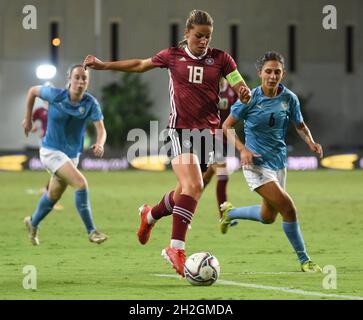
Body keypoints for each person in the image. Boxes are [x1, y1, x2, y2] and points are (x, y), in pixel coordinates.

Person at [84, 9, 251, 277]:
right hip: (179, 130)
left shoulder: (221, 59)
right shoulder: (173, 56)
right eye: (198, 36)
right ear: (186, 34)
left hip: (206, 135)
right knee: (194, 185)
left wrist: (243, 92)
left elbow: (238, 83)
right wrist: (105, 65)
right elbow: (140, 64)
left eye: (207, 36)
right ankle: (175, 248)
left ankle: (149, 215)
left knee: (181, 194)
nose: (203, 41)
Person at [221, 51, 323, 272]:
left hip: (278, 163)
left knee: (268, 217)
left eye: (277, 72)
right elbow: (226, 126)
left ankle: (230, 213)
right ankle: (305, 260)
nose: (273, 76)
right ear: (260, 73)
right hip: (255, 163)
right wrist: (242, 149)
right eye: (268, 71)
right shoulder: (249, 98)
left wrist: (311, 142)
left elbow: (300, 125)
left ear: (282, 74)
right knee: (289, 209)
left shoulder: (289, 99)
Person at [22, 64, 108, 246]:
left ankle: (32, 222)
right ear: (70, 79)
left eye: (84, 78)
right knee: (80, 183)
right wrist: (28, 119)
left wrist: (100, 144)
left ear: (87, 81)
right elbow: (32, 91)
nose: (80, 81)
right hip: (50, 151)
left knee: (53, 195)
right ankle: (92, 231)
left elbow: (101, 129)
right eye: (77, 77)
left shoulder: (90, 103)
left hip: (71, 156)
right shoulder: (55, 95)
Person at [202, 78, 238, 224]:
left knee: (203, 180)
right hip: (209, 137)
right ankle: (224, 216)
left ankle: (181, 206)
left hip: (224, 139)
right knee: (223, 175)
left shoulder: (231, 89)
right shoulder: (205, 88)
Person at [30, 96, 64, 210]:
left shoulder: (57, 108)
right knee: (57, 172)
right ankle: (50, 199)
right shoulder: (40, 111)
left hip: (58, 142)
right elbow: (33, 118)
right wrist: (35, 127)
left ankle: (48, 193)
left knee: (56, 172)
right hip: (47, 144)